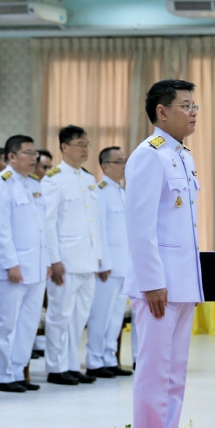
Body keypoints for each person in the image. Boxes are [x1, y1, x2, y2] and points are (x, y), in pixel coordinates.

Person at [125, 79, 205, 428]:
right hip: (158, 287)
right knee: (154, 372)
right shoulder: (148, 156)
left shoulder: (182, 156)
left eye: (195, 106)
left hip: (183, 283)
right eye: (186, 105)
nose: (194, 112)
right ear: (162, 111)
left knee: (175, 372)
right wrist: (152, 282)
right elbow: (140, 228)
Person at [0, 135, 49, 393]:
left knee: (28, 323)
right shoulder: (0, 185)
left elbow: (41, 228)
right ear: (11, 157)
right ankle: (3, 374)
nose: (33, 157)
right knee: (7, 323)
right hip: (14, 268)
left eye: (35, 153)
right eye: (27, 153)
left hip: (35, 266)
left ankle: (18, 370)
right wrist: (10, 263)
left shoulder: (32, 184)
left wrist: (45, 260)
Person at [40, 125, 103, 385]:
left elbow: (93, 223)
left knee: (79, 316)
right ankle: (55, 367)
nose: (85, 148)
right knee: (60, 315)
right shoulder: (53, 180)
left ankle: (71, 364)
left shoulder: (88, 179)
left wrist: (98, 255)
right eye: (79, 143)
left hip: (87, 259)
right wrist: (53, 259)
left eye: (87, 143)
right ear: (64, 147)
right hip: (64, 260)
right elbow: (48, 223)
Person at [85, 146, 133, 378]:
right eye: (118, 162)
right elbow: (99, 230)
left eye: (125, 161)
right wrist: (101, 262)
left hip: (123, 265)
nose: (124, 166)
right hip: (108, 266)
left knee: (115, 317)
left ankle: (109, 357)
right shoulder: (100, 191)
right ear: (105, 166)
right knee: (100, 315)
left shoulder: (123, 192)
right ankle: (95, 360)